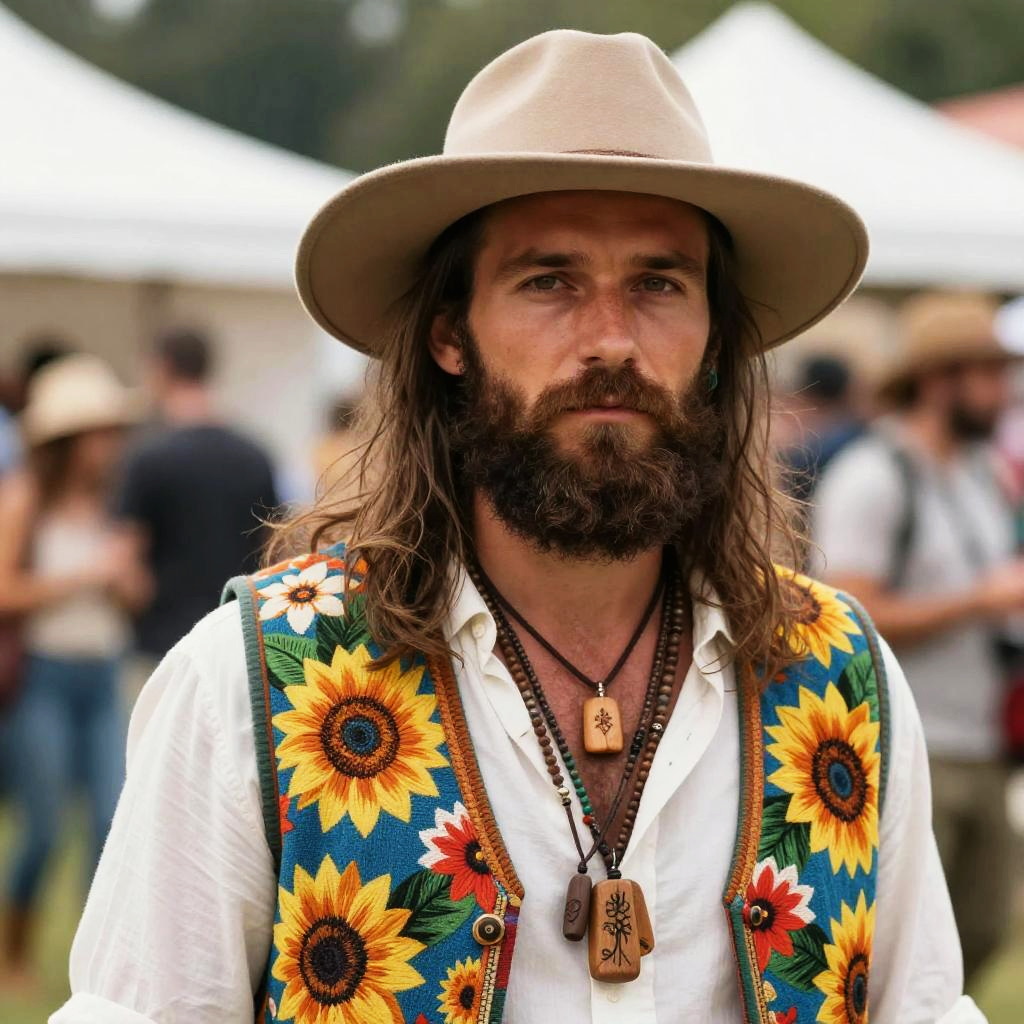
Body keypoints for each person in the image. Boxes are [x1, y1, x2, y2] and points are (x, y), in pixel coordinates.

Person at [53, 31, 981, 1023]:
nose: (611, 340)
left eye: (660, 284)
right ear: (449, 334)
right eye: (549, 282)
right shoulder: (252, 683)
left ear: (715, 341)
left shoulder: (843, 676)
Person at [812, 291, 1024, 987]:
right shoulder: (872, 477)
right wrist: (977, 601)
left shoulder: (980, 473)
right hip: (907, 746)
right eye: (988, 373)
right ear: (939, 380)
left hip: (982, 743)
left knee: (985, 928)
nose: (1004, 390)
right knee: (906, 959)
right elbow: (845, 617)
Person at [0, 355, 149, 990]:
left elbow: (134, 596)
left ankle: (100, 970)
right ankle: (15, 952)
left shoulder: (113, 505)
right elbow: (5, 591)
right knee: (42, 823)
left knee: (114, 823)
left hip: (102, 673)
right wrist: (86, 576)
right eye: (97, 432)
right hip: (44, 678)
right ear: (65, 440)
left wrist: (125, 578)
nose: (109, 444)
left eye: (112, 432)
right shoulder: (24, 500)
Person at [112, 327, 280, 698]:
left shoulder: (147, 457)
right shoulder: (255, 455)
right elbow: (275, 550)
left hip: (162, 649)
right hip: (239, 646)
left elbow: (126, 567)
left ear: (162, 368)